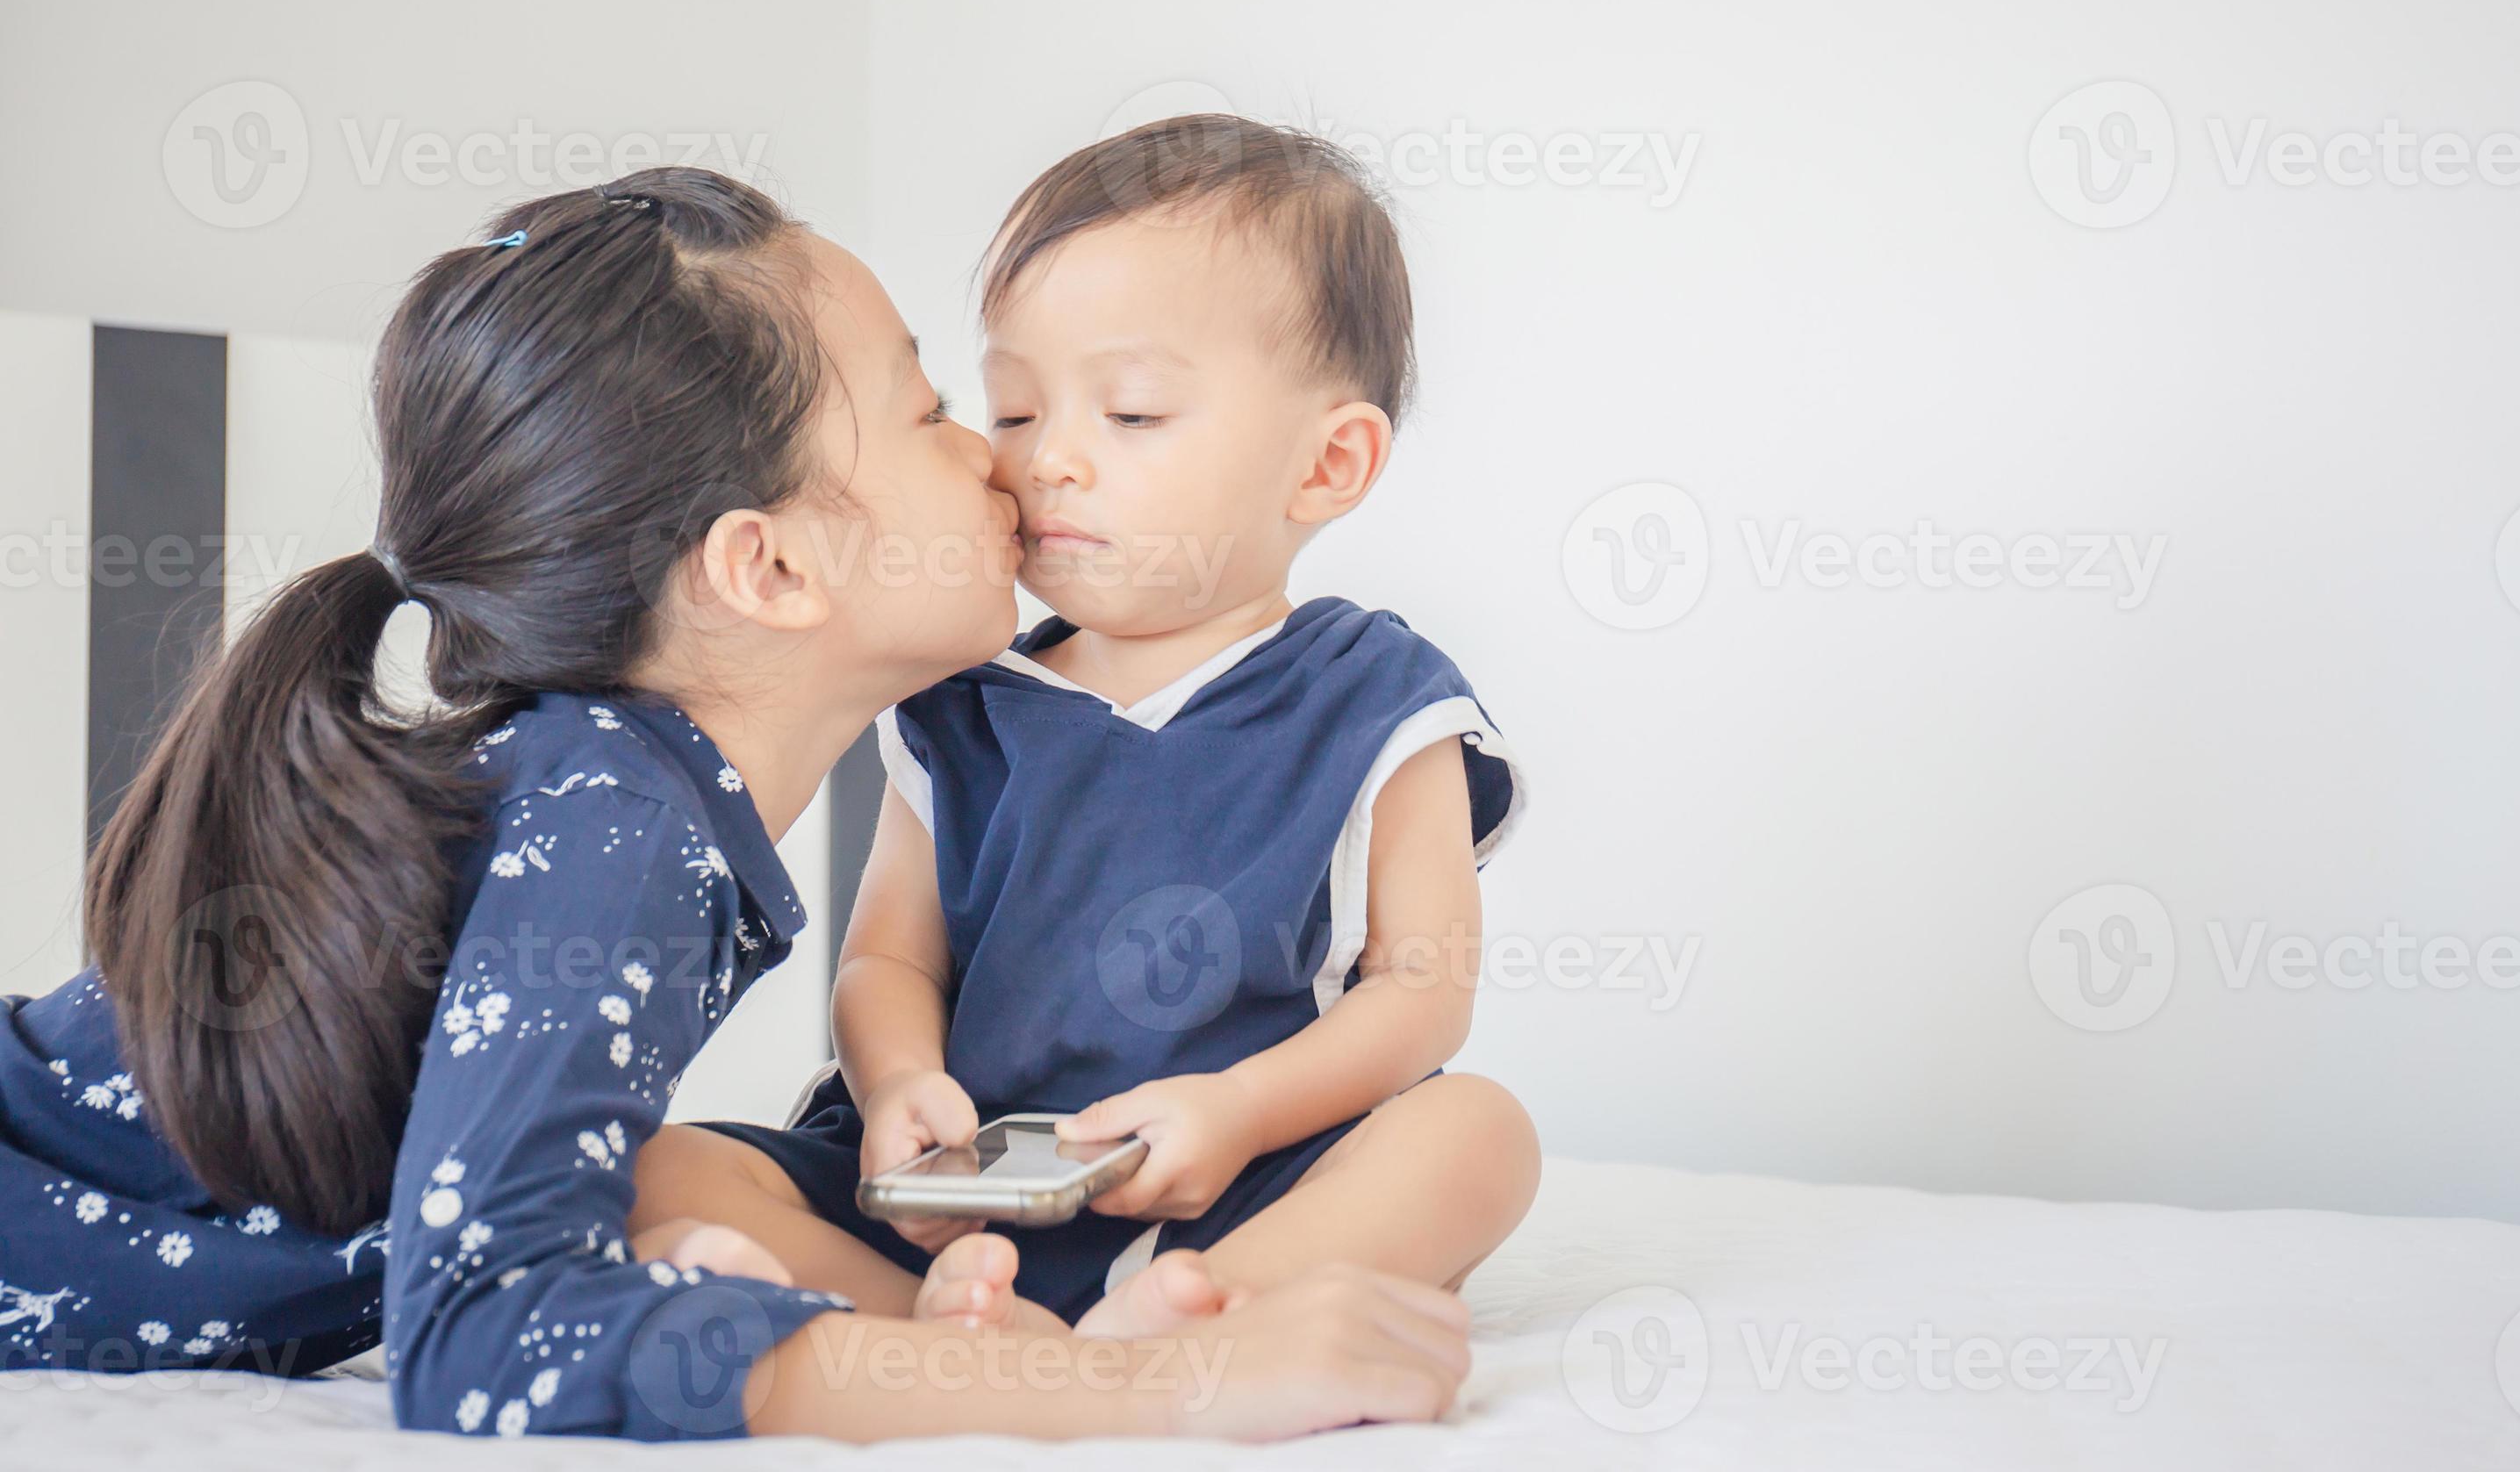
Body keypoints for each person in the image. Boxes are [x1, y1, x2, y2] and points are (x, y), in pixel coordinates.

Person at [0, 168, 1473, 1442]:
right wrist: (1156, 1392)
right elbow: (486, 1339)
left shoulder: (618, 795)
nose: (1003, 460)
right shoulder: (612, 818)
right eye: (939, 408)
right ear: (769, 570)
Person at [632, 117, 1542, 1336]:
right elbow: (888, 962)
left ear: (1327, 466)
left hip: (1246, 1172)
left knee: (1477, 1136)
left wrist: (1242, 1116)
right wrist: (901, 1081)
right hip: (967, 1192)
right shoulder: (958, 709)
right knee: (653, 1171)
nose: (1048, 461)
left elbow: (1421, 994)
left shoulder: (1380, 700)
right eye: (1011, 411)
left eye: (1131, 414)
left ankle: (1179, 1317)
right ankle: (946, 1324)